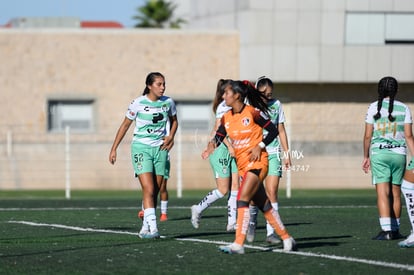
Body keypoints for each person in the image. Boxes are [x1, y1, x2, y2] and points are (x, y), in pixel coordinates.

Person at [202, 80, 296, 254]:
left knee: (242, 199)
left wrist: (259, 146)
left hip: (259, 162)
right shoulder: (226, 117)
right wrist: (210, 147)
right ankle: (286, 238)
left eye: (227, 93)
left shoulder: (253, 113)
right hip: (243, 166)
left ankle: (238, 244)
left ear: (237, 95)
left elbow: (274, 131)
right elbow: (219, 136)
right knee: (265, 205)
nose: (223, 96)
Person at [109, 72, 178, 239]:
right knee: (149, 188)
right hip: (141, 149)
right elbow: (125, 126)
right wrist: (114, 149)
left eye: (164, 84)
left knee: (155, 190)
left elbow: (175, 121)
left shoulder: (168, 102)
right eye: (159, 84)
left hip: (161, 149)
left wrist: (171, 136)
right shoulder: (137, 103)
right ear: (149, 86)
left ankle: (145, 227)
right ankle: (154, 229)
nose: (163, 87)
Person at [362, 76, 412, 240]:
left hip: (379, 154)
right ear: (396, 91)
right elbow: (409, 136)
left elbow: (368, 136)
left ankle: (386, 231)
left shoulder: (373, 108)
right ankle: (396, 230)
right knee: (396, 192)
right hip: (399, 155)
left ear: (379, 90)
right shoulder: (404, 108)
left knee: (383, 192)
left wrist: (365, 156)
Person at [246, 77, 291, 244]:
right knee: (252, 193)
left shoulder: (276, 105)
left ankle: (271, 232)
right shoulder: (250, 105)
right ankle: (252, 221)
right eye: (263, 93)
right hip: (255, 154)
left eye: (270, 94)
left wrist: (287, 153)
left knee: (271, 191)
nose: (267, 97)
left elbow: (281, 129)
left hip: (273, 151)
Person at [191, 79, 239, 232]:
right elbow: (219, 131)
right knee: (223, 190)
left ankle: (232, 222)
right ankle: (198, 208)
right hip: (222, 149)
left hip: (235, 149)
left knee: (235, 186)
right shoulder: (223, 107)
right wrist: (228, 146)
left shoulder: (238, 106)